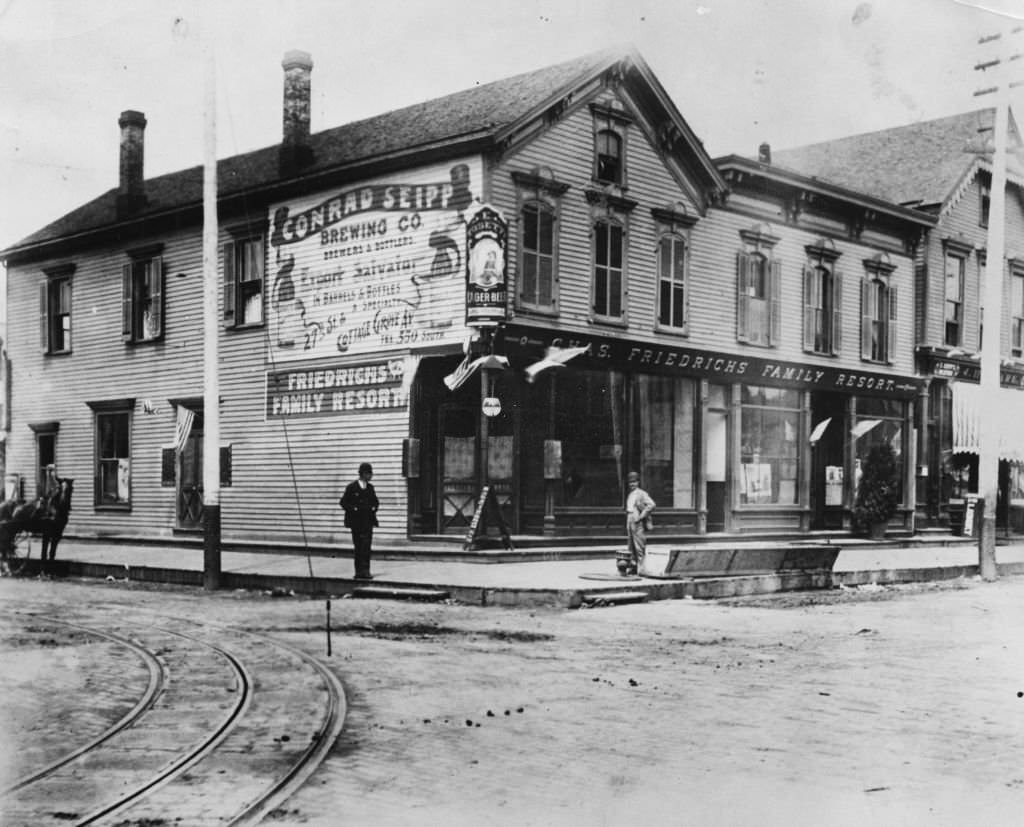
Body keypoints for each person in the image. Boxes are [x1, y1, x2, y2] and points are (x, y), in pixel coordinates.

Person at [339, 462, 379, 580]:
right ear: (363, 474)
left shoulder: (370, 488)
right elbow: (343, 502)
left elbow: (376, 502)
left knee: (366, 547)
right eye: (369, 474)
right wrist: (353, 509)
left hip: (368, 522)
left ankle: (366, 571)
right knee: (358, 547)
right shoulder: (352, 487)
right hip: (356, 522)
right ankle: (358, 572)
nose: (371, 476)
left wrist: (374, 508)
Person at [617, 470, 655, 577]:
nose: (632, 484)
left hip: (637, 521)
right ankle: (633, 567)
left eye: (634, 482)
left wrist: (641, 515)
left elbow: (651, 505)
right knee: (631, 545)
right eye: (630, 482)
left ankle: (642, 569)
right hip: (629, 519)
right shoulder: (630, 495)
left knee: (639, 545)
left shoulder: (642, 494)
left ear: (638, 482)